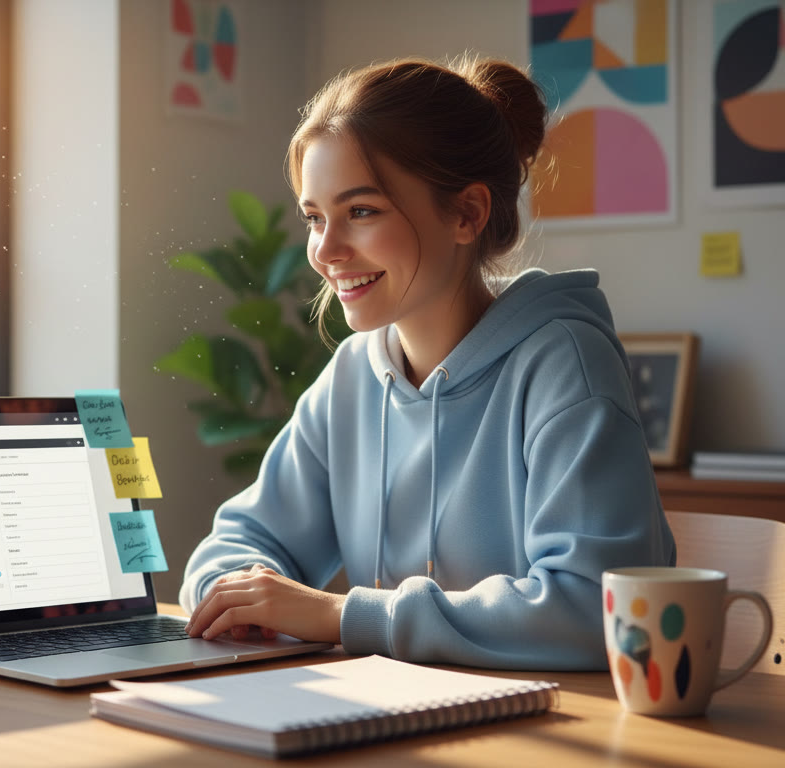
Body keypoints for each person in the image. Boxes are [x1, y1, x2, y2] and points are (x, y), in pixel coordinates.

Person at [179, 56, 676, 670]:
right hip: (389, 722)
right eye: (314, 218)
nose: (325, 251)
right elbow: (237, 545)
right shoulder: (354, 375)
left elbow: (597, 608)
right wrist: (236, 600)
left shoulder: (564, 366)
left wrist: (338, 616)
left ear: (466, 213)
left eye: (361, 211)